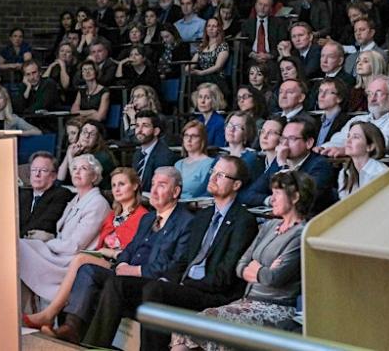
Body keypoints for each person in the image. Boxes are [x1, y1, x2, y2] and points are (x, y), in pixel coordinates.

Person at [83, 156, 259, 350]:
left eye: (221, 175)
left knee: (155, 290)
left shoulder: (244, 221)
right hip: (185, 284)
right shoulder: (203, 216)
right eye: (213, 172)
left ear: (236, 185)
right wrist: (169, 278)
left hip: (212, 293)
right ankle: (92, 347)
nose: (213, 177)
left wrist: (181, 282)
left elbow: (225, 274)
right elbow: (183, 260)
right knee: (118, 283)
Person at [38, 166, 195, 342]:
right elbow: (129, 249)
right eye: (153, 184)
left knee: (113, 281)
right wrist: (122, 264)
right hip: (125, 273)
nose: (154, 190)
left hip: (149, 282)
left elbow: (176, 264)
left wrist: (135, 271)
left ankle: (93, 344)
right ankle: (72, 327)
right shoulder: (148, 218)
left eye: (162, 185)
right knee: (88, 269)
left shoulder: (186, 222)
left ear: (176, 192)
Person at [170, 170, 314, 351]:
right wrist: (260, 269)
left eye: (277, 193)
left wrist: (257, 268)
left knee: (206, 325)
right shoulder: (270, 226)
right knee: (182, 326)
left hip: (276, 309)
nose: (272, 199)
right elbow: (240, 266)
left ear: (295, 197)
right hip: (247, 302)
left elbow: (274, 278)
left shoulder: (302, 233)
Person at [23, 167, 148, 330]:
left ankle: (49, 314)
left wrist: (109, 252)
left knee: (80, 259)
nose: (116, 189)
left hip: (120, 264)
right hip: (100, 259)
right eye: (114, 185)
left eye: (122, 184)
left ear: (135, 186)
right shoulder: (112, 214)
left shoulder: (143, 216)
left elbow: (136, 252)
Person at [19, 154, 113, 312]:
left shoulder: (97, 203)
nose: (77, 172)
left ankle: (24, 315)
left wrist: (47, 241)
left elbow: (75, 245)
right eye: (74, 168)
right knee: (17, 249)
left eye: (83, 169)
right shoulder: (76, 199)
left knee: (20, 248)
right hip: (59, 252)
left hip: (69, 259)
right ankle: (22, 313)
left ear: (95, 176)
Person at [240, 115, 337, 216]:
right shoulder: (278, 162)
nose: (285, 144)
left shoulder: (320, 165)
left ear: (309, 143)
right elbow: (249, 194)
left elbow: (301, 198)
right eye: (283, 138)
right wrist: (270, 200)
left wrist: (283, 165)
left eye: (291, 139)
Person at [20, 151, 72, 238]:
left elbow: (45, 225)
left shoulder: (61, 194)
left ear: (54, 176)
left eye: (43, 170)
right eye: (34, 170)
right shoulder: (21, 195)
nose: (37, 174)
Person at [57, 120, 117, 191]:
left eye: (92, 134)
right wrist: (68, 153)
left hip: (100, 193)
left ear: (98, 139)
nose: (87, 136)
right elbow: (59, 179)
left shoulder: (102, 156)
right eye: (84, 132)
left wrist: (70, 156)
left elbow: (79, 179)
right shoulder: (78, 151)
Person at [132, 110, 180, 192]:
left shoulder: (164, 156)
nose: (139, 130)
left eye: (145, 126)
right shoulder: (137, 154)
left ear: (156, 131)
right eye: (137, 126)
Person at [338, 122, 387, 199]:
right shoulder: (344, 172)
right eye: (348, 136)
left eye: (355, 137)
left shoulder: (380, 173)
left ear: (370, 146)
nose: (348, 141)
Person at [189, 17, 231, 100]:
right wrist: (187, 69)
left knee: (199, 79)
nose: (211, 28)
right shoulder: (202, 46)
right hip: (202, 76)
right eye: (209, 26)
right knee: (189, 79)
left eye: (214, 26)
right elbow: (192, 63)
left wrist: (202, 73)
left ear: (219, 29)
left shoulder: (223, 45)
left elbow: (218, 66)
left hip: (216, 78)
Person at [175, 120, 216, 200]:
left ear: (202, 139)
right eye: (186, 135)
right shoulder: (178, 164)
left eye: (194, 136)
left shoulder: (209, 164)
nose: (189, 140)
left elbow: (206, 192)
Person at [315, 78, 351, 145]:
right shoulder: (317, 121)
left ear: (339, 98)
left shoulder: (347, 122)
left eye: (327, 92)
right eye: (320, 91)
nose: (321, 96)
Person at [191, 82, 227, 148]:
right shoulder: (198, 120)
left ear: (214, 100)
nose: (202, 101)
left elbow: (218, 149)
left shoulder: (220, 122)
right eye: (200, 97)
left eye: (207, 98)